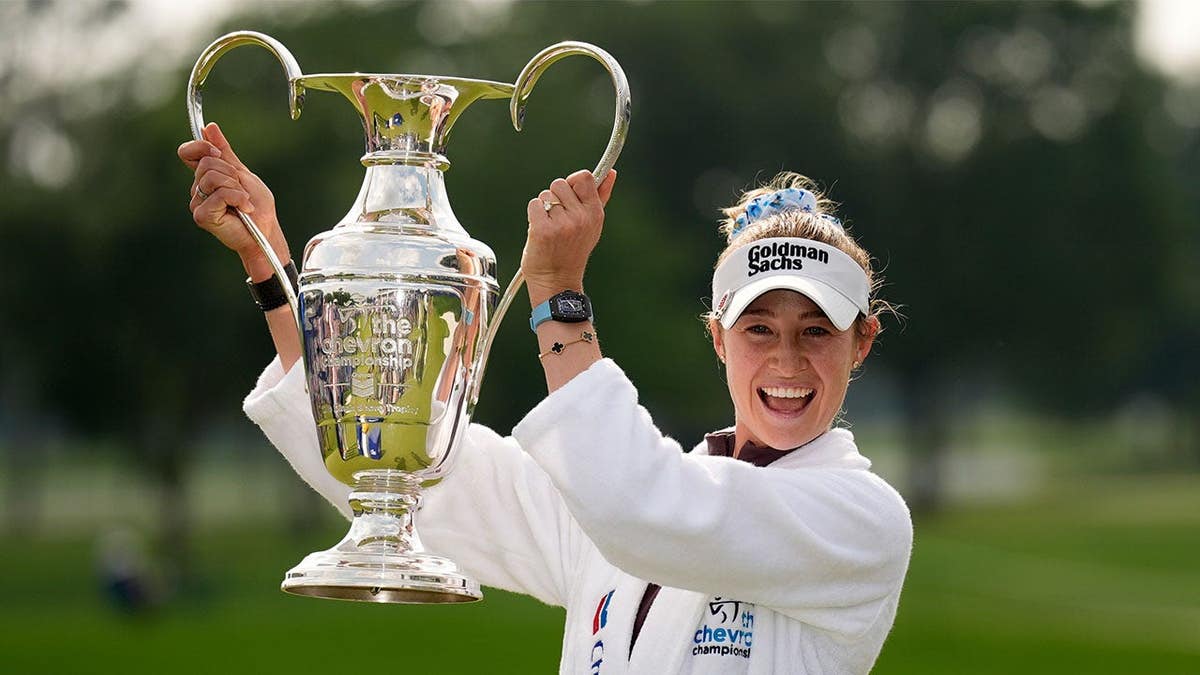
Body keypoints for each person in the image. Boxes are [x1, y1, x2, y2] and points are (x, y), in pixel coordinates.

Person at [179, 122, 912, 674]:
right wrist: (269, 259)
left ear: (863, 342)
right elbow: (417, 474)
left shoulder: (861, 519)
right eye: (760, 327)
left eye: (817, 330)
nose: (788, 360)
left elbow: (641, 503)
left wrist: (558, 297)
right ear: (719, 338)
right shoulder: (630, 497)